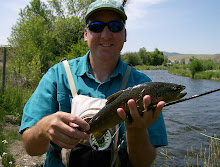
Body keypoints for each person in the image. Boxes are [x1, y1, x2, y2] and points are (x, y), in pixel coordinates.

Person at [19, 0, 168, 166]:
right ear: (85, 34)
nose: (106, 34)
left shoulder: (143, 86)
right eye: (96, 26)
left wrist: (136, 129)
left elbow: (143, 163)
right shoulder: (57, 75)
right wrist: (44, 128)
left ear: (125, 35)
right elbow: (31, 148)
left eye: (115, 26)